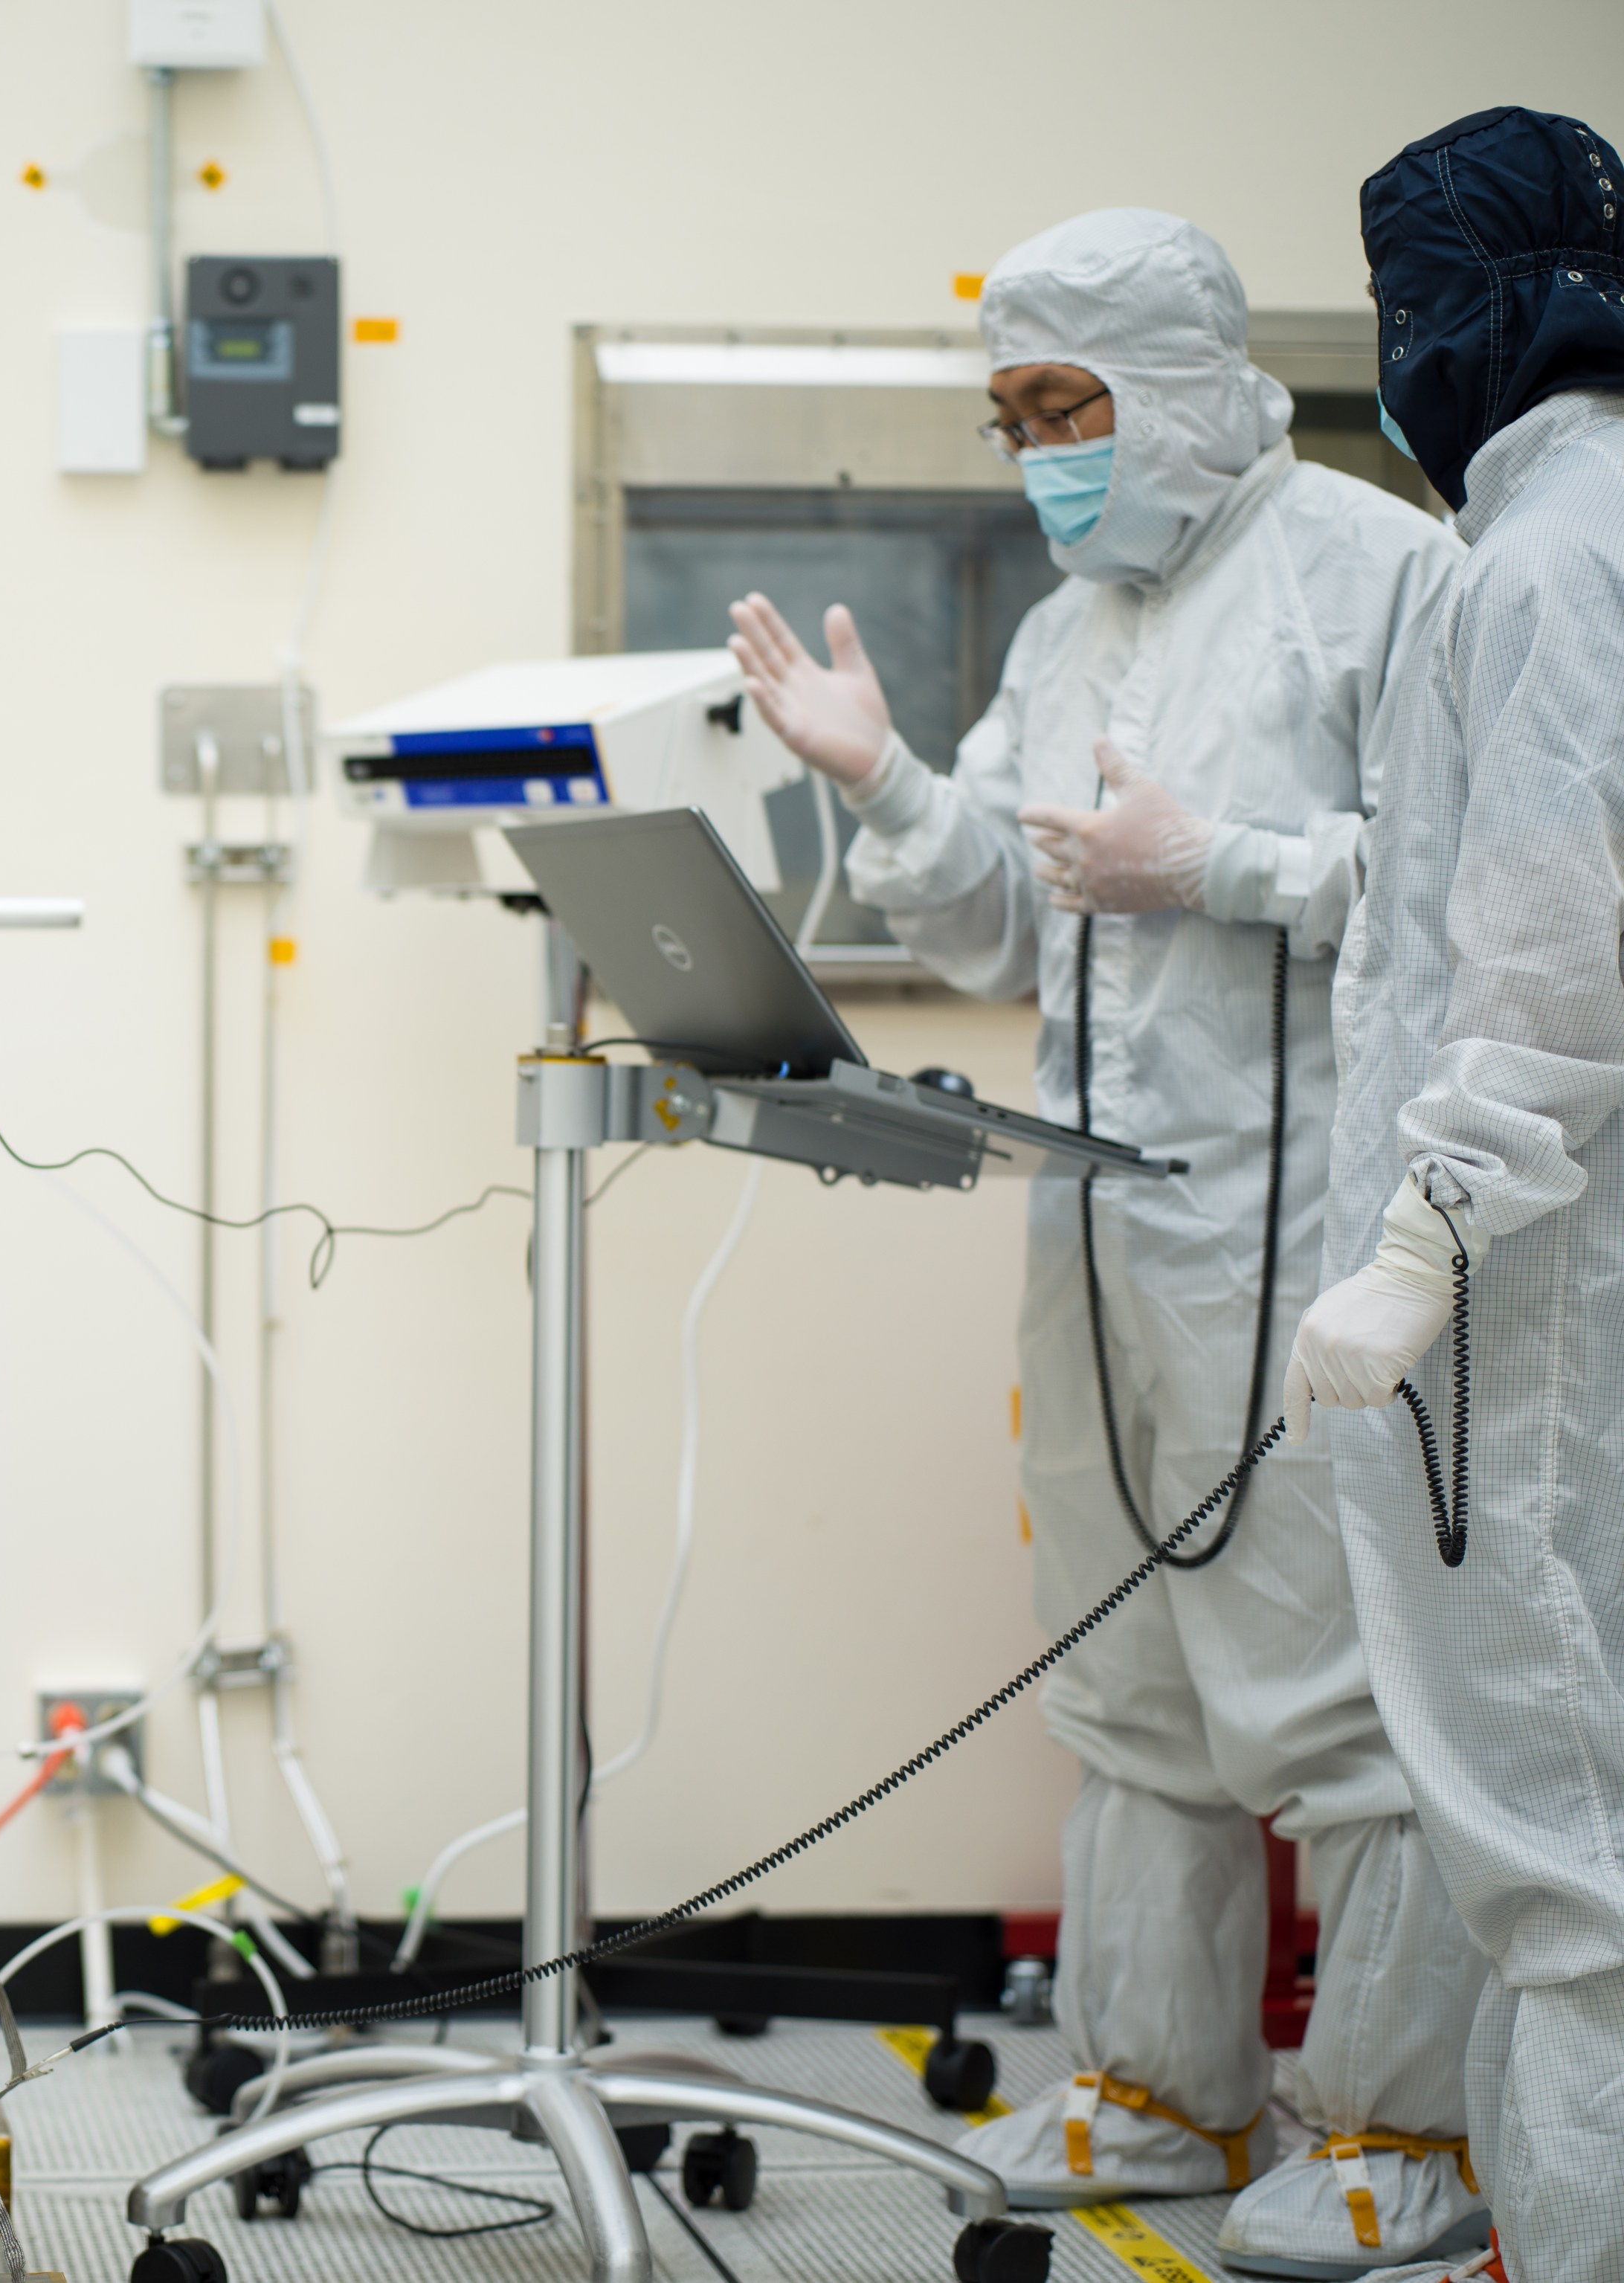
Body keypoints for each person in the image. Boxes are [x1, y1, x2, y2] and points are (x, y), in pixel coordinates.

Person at [726, 208, 1483, 2275]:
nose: (1040, 454)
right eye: (1012, 420)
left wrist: (1217, 862)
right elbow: (998, 920)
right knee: (1131, 1677)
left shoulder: (1384, 576)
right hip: (1101, 1244)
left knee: (1339, 1701)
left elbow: (1468, 891)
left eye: (1066, 407)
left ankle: (1406, 2129)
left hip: (1315, 1238)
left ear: (1175, 386)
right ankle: (1163, 2087)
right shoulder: (1069, 633)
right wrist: (881, 777)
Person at [1283, 106, 1624, 2283]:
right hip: (1538, 1279)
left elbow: (1546, 941)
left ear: (1484, 312)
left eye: (1411, 309)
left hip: (1521, 1300)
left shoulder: (1551, 556)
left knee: (1553, 1836)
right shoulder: (1553, 534)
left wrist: (1421, 1243)